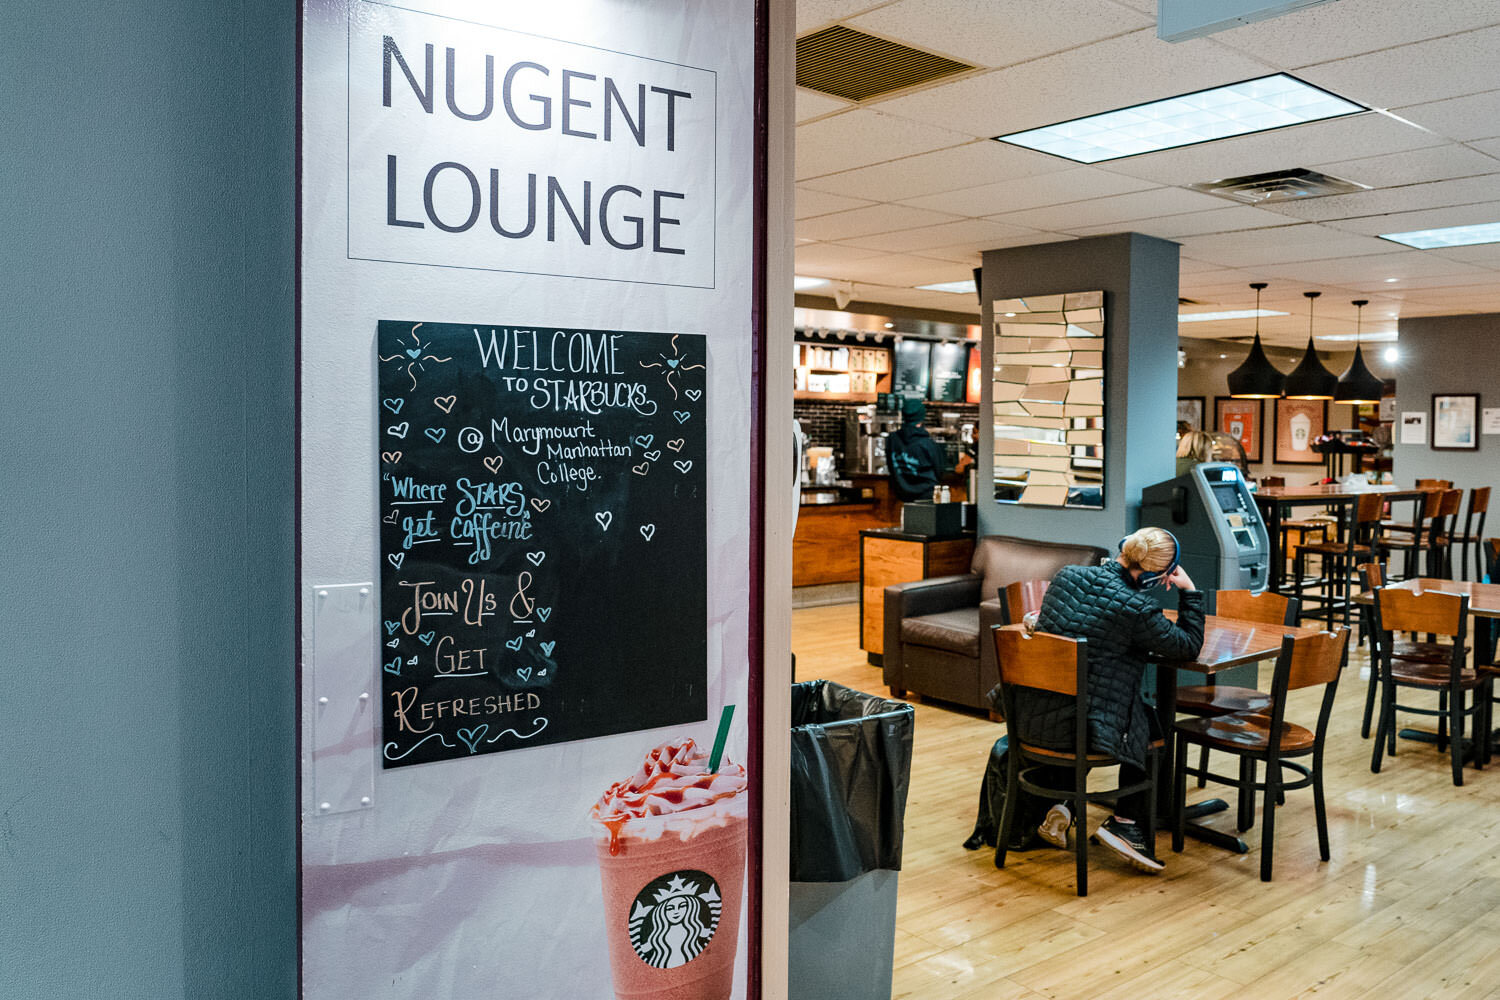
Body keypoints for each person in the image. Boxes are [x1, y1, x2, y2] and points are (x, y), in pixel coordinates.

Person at [1009, 526, 1205, 873]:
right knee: (1150, 726)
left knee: (1102, 700)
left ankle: (1065, 804)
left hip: (1033, 715)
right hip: (1079, 730)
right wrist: (1189, 591)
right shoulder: (1137, 608)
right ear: (1156, 575)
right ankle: (1127, 824)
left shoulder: (1067, 576)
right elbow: (1187, 646)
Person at [886, 396, 947, 501]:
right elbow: (939, 471)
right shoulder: (927, 444)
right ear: (922, 417)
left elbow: (891, 467)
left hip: (901, 496)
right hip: (927, 497)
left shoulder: (892, 439)